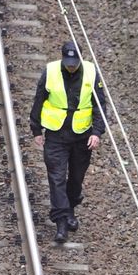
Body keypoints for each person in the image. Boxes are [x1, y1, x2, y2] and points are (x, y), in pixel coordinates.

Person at [31, 41, 106, 243]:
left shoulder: (91, 72)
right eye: (68, 62)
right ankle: (61, 222)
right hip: (56, 135)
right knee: (56, 178)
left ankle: (70, 207)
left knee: (75, 178)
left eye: (74, 62)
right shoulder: (51, 71)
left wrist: (97, 132)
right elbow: (39, 99)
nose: (71, 66)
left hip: (82, 135)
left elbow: (99, 104)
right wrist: (36, 129)